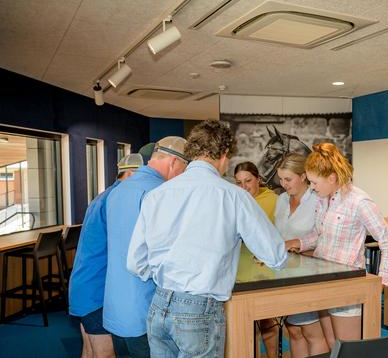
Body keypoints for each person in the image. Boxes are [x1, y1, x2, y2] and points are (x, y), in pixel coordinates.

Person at [126, 119, 288, 357]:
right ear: (224, 154)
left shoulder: (156, 195)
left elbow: (135, 263)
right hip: (199, 310)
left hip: (159, 305)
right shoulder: (233, 196)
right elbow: (275, 256)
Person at [285, 143, 388, 341]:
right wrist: (296, 243)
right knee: (331, 346)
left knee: (348, 351)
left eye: (314, 182)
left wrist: (380, 283)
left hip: (347, 285)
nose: (311, 187)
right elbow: (319, 236)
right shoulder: (323, 198)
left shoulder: (359, 202)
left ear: (332, 177)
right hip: (322, 281)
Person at [103, 136, 188, 358]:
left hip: (116, 308)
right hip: (144, 310)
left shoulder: (117, 191)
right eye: (185, 169)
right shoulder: (160, 193)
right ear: (173, 162)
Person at [69, 153, 143, 358]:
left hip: (85, 287)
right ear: (130, 174)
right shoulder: (117, 199)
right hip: (96, 292)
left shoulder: (104, 196)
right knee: (106, 353)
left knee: (90, 351)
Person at [274, 153, 329, 358]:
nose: (283, 184)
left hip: (310, 275)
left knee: (312, 332)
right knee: (295, 331)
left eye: (288, 179)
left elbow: (323, 238)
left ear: (304, 176)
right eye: (281, 179)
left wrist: (298, 246)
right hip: (285, 275)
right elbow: (278, 234)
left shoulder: (318, 201)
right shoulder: (281, 200)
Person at [234, 160, 281, 356]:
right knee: (245, 320)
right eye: (239, 182)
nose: (244, 186)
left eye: (248, 180)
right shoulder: (235, 200)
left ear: (258, 179)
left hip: (263, 267)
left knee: (266, 319)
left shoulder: (273, 200)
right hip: (239, 267)